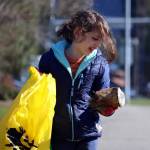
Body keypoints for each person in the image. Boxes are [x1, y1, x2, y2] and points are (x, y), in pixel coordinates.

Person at [38, 9, 117, 150]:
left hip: (88, 135)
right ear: (78, 33)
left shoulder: (100, 64)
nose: (98, 44)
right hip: (57, 135)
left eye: (100, 40)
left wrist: (108, 107)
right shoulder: (49, 59)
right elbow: (39, 98)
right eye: (94, 38)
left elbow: (103, 101)